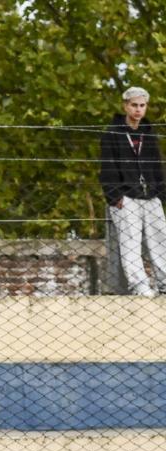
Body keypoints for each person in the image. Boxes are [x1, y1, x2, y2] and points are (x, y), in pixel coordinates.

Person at [100, 86, 166, 296]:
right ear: (125, 106)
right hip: (126, 198)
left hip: (151, 196)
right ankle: (140, 287)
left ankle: (164, 284)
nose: (138, 110)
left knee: (161, 239)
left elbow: (157, 166)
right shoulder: (112, 133)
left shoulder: (149, 133)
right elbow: (107, 166)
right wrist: (114, 196)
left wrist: (161, 194)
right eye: (134, 105)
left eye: (142, 105)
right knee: (130, 243)